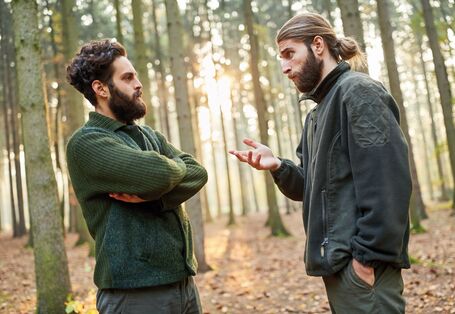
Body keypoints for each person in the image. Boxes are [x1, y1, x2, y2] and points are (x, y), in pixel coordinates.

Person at [230, 13, 411, 313]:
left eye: (290, 54)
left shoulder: (358, 93)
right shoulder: (316, 114)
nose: (285, 67)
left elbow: (388, 182)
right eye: (281, 58)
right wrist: (278, 166)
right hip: (340, 269)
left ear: (317, 45)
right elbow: (311, 186)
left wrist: (365, 260)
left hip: (365, 271)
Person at [66, 39, 207, 314]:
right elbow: (159, 173)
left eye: (136, 75)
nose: (138, 83)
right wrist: (168, 170)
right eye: (128, 77)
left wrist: (153, 198)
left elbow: (197, 171)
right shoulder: (87, 143)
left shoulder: (149, 135)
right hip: (134, 296)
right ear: (101, 88)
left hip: (184, 286)